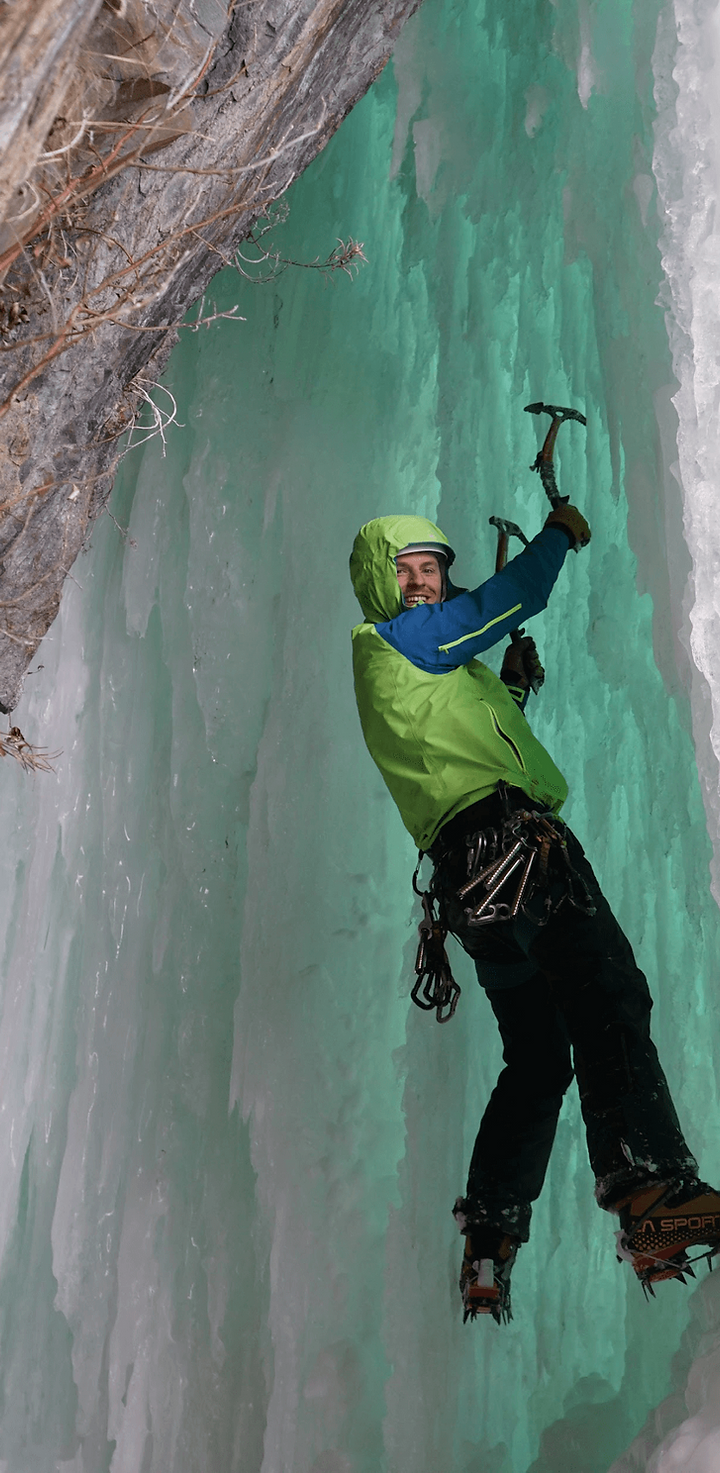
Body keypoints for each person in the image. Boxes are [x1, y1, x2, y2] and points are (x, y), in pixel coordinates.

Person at [349, 508, 720, 1323]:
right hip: (519, 853)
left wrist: (511, 686)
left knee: (542, 1056)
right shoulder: (391, 640)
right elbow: (495, 607)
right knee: (608, 994)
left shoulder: (421, 667)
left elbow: (462, 736)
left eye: (430, 570)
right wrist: (557, 538)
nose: (420, 583)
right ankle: (649, 1187)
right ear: (379, 580)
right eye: (405, 570)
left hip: (472, 889)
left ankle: (490, 1235)